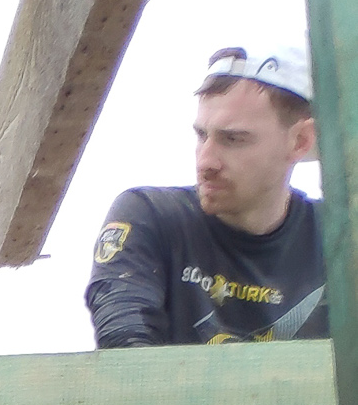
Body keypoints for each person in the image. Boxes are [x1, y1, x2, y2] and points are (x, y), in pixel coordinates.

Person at [86, 44, 323, 347]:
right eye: (201, 135)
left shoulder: (339, 240)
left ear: (300, 141)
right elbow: (125, 355)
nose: (205, 162)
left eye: (233, 139)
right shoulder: (152, 217)